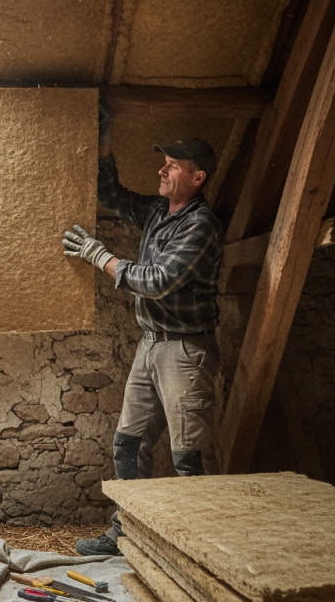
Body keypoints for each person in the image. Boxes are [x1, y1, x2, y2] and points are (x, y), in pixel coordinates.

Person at [62, 102, 224, 556]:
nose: (163, 170)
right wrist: (104, 145)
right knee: (128, 445)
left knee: (188, 458)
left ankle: (201, 551)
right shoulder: (157, 211)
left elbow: (156, 282)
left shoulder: (201, 226)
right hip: (151, 345)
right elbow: (111, 195)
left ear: (198, 178)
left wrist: (98, 255)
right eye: (164, 163)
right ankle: (128, 533)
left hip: (186, 352)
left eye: (174, 167)